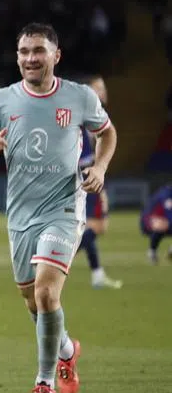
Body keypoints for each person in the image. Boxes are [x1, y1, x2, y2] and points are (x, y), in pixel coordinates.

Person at [0, 23, 117, 393]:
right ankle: (66, 349)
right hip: (20, 215)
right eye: (24, 52)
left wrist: (99, 167)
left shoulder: (79, 96)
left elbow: (108, 133)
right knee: (34, 302)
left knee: (48, 294)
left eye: (38, 51)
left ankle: (44, 383)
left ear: (56, 55)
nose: (30, 58)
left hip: (65, 208)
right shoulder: (2, 99)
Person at [76, 75, 123, 289]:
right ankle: (50, 259)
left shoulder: (93, 117)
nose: (103, 92)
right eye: (98, 88)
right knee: (95, 226)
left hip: (89, 173)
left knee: (94, 226)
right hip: (84, 176)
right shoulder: (81, 116)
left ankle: (96, 273)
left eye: (103, 88)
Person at [142, 184, 172, 263]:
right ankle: (152, 252)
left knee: (164, 223)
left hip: (162, 219)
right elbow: (169, 213)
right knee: (162, 225)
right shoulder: (166, 194)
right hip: (148, 220)